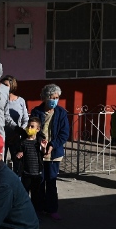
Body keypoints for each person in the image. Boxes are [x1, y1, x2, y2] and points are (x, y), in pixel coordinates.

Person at [30, 84, 70, 220]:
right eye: (52, 98)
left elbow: (64, 133)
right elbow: (33, 130)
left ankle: (52, 209)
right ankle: (38, 208)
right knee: (39, 182)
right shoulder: (36, 112)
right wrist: (41, 143)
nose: (55, 100)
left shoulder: (61, 112)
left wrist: (52, 145)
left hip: (54, 154)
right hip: (39, 153)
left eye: (57, 98)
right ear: (46, 98)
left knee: (51, 182)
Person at [14, 116, 45, 209]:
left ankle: (35, 213)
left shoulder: (39, 141)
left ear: (38, 129)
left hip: (37, 174)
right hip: (26, 174)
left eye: (32, 126)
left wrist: (43, 147)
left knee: (36, 196)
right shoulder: (22, 142)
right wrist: (18, 155)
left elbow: (43, 154)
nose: (29, 128)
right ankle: (26, 212)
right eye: (28, 126)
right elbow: (17, 155)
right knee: (25, 195)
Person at [1, 75, 28, 164]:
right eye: (2, 84)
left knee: (17, 163)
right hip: (1, 138)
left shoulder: (20, 101)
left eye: (6, 85)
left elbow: (25, 119)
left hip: (16, 138)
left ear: (12, 86)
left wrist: (19, 133)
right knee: (1, 163)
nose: (3, 87)